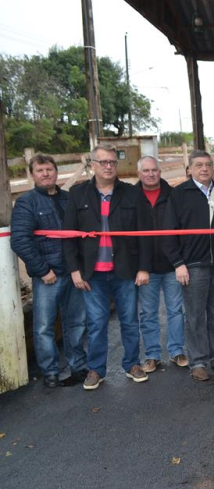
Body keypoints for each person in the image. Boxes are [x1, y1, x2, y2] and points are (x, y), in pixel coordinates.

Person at [63, 144, 152, 390]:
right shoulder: (78, 194)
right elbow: (68, 235)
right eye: (103, 162)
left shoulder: (132, 194)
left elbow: (144, 233)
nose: (109, 166)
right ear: (93, 165)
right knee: (96, 323)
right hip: (92, 273)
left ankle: (132, 364)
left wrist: (143, 268)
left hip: (125, 270)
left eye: (112, 162)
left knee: (129, 321)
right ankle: (96, 369)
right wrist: (74, 270)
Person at [162, 150, 214, 382]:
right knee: (195, 316)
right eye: (198, 165)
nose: (204, 169)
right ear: (189, 169)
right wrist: (178, 263)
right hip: (193, 265)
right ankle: (197, 361)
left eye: (208, 165)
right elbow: (168, 232)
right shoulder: (179, 194)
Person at [11, 154, 87, 388]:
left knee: (76, 322)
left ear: (56, 172)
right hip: (48, 276)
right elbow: (21, 240)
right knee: (44, 325)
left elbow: (80, 234)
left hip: (73, 272)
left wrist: (81, 267)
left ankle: (79, 366)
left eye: (49, 170)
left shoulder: (69, 198)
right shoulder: (27, 203)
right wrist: (42, 270)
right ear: (32, 174)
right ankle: (50, 371)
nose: (46, 174)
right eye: (40, 170)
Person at [135, 156, 186, 372]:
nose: (150, 174)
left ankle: (176, 351)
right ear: (139, 174)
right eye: (146, 170)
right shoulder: (131, 197)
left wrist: (180, 262)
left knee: (176, 310)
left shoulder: (174, 195)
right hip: (146, 268)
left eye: (154, 170)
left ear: (160, 171)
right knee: (148, 312)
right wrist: (140, 266)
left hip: (172, 264)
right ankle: (152, 355)